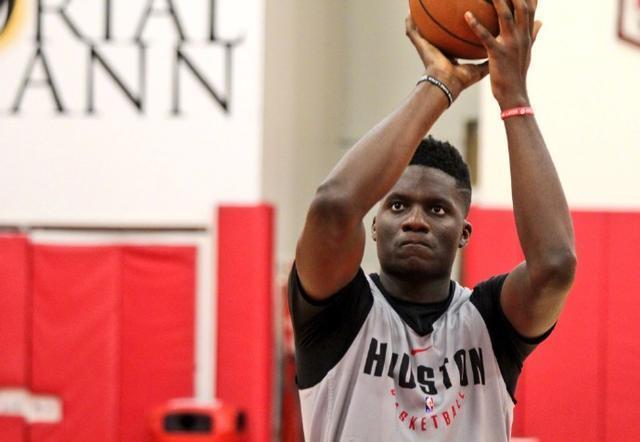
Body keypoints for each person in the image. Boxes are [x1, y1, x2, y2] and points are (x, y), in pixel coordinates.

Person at [288, 0, 576, 440]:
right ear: (374, 225)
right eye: (397, 206)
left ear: (464, 233)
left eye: (437, 210)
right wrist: (440, 83)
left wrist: (514, 98)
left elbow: (555, 264)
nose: (415, 221)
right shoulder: (337, 314)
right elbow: (333, 207)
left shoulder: (489, 324)